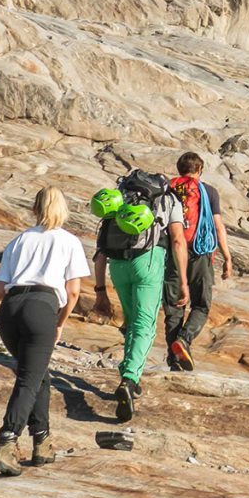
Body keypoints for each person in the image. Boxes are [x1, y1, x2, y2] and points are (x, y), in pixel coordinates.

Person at [0, 187, 92, 476]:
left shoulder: (19, 240)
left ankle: (41, 441)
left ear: (35, 207)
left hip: (10, 308)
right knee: (28, 379)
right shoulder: (69, 241)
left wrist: (17, 304)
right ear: (64, 208)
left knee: (37, 375)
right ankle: (6, 444)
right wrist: (58, 322)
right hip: (43, 306)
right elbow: (73, 292)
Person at [92, 173, 176, 422]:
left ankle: (130, 375)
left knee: (131, 323)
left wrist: (100, 291)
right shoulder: (167, 200)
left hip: (118, 265)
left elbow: (99, 254)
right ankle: (129, 379)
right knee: (144, 326)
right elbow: (179, 241)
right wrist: (181, 281)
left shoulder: (121, 201)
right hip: (148, 261)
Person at [163, 151, 234, 372]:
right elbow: (218, 226)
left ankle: (174, 357)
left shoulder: (167, 189)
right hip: (200, 253)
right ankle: (184, 340)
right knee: (201, 305)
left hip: (172, 254)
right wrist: (227, 258)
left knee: (174, 308)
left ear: (179, 169)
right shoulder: (208, 192)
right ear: (200, 170)